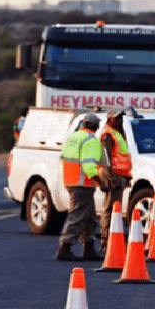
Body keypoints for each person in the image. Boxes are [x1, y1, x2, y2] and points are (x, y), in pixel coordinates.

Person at [55, 113, 105, 261]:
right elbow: (89, 165)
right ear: (96, 126)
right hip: (82, 183)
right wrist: (100, 180)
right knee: (77, 215)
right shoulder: (91, 140)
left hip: (71, 181)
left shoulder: (73, 138)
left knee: (89, 217)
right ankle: (65, 247)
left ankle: (89, 248)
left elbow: (63, 158)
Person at [98, 109, 132, 253]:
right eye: (117, 118)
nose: (120, 121)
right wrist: (111, 178)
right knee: (110, 209)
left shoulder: (118, 134)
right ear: (110, 120)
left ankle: (112, 240)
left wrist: (126, 177)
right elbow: (105, 159)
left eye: (121, 118)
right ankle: (106, 240)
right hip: (112, 176)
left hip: (119, 176)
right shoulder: (108, 135)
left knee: (115, 209)